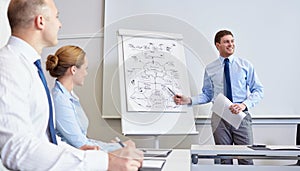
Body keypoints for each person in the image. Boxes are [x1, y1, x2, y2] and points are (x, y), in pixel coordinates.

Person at [0, 0, 143, 170]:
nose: (60, 24)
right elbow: (16, 149)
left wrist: (84, 155)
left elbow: (45, 139)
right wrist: (106, 162)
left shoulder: (30, 68)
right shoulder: (8, 67)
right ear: (40, 21)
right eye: (57, 17)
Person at [174, 30, 263, 165]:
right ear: (218, 45)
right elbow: (208, 95)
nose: (231, 44)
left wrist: (243, 105)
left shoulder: (245, 66)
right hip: (219, 118)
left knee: (246, 158)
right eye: (226, 41)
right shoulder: (210, 68)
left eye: (232, 41)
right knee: (223, 159)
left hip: (241, 116)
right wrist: (189, 100)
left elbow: (258, 90)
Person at [45, 45, 132, 152]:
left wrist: (117, 146)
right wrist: (120, 147)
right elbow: (81, 144)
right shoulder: (60, 100)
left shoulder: (67, 96)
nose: (86, 73)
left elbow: (83, 140)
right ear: (73, 70)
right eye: (85, 68)